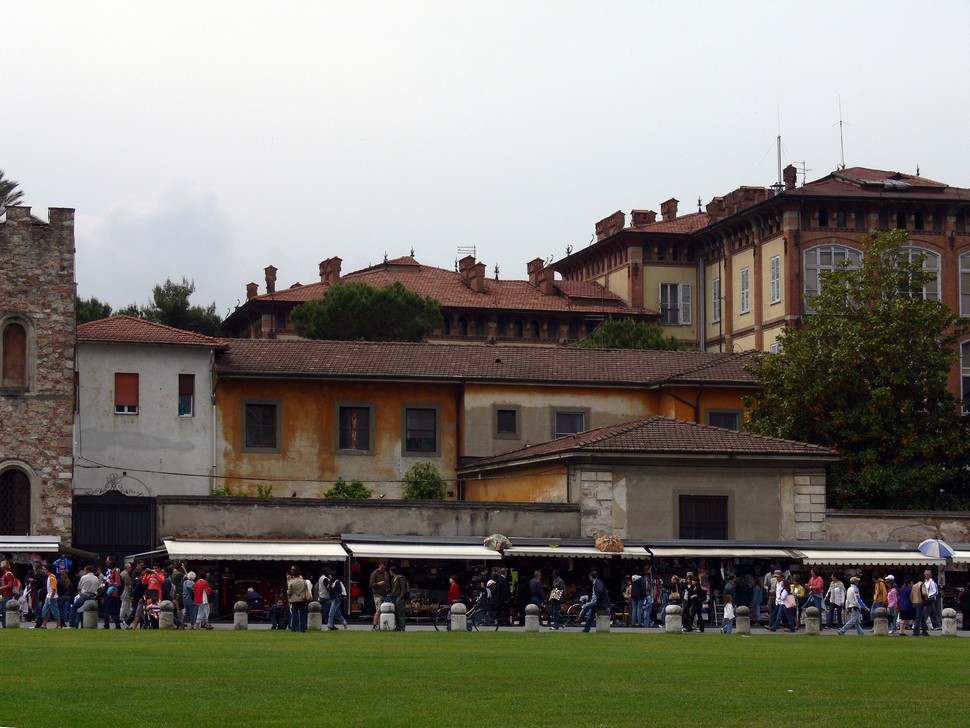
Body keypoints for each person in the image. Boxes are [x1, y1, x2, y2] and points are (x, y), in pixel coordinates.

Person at [71, 564, 100, 629]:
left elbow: (79, 587)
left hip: (86, 595)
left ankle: (72, 624)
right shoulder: (96, 578)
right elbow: (98, 587)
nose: (83, 572)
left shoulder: (84, 577)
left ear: (87, 570)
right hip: (94, 596)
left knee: (74, 607)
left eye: (84, 570)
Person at [369, 561, 390, 631]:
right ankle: (375, 625)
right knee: (378, 610)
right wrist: (378, 583)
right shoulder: (374, 573)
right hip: (377, 594)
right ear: (379, 566)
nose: (383, 569)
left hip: (385, 594)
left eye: (384, 568)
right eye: (382, 568)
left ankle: (380, 626)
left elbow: (388, 583)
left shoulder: (386, 574)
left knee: (383, 611)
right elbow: (371, 584)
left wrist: (388, 589)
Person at [38, 564, 61, 629]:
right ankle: (44, 625)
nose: (44, 571)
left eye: (45, 569)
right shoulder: (49, 577)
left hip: (52, 597)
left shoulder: (52, 578)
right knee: (45, 610)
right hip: (48, 596)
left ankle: (59, 625)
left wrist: (51, 596)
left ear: (47, 570)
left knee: (55, 611)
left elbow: (54, 588)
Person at [286, 565, 309, 632]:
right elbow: (306, 589)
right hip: (302, 599)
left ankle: (294, 628)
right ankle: (303, 628)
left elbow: (290, 592)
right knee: (302, 614)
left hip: (294, 600)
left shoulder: (292, 582)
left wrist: (289, 594)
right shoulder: (303, 581)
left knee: (294, 614)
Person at [0, 560, 18, 627]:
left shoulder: (8, 574)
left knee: (4, 609)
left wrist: (1, 588)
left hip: (8, 594)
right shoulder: (6, 574)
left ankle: (5, 624)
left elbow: (10, 585)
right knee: (3, 609)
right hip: (5, 594)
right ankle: (4, 623)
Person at [390, 565, 407, 631]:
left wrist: (400, 597)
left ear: (392, 571)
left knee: (400, 613)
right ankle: (398, 627)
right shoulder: (393, 579)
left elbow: (403, 589)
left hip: (398, 597)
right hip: (394, 597)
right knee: (396, 613)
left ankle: (402, 627)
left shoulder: (400, 578)